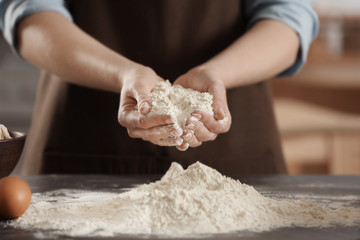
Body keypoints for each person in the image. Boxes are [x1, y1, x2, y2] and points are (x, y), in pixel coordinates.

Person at [0, 0, 318, 175]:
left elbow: (289, 17)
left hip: (235, 155)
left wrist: (216, 74)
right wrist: (123, 73)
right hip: (82, 143)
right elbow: (30, 15)